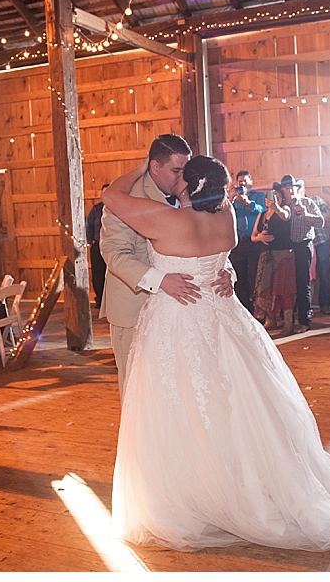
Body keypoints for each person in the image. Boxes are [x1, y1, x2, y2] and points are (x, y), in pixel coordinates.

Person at [100, 155, 330, 552]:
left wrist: (147, 166)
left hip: (177, 320)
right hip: (223, 315)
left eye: (181, 176)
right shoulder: (226, 216)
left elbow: (110, 194)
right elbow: (223, 258)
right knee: (236, 403)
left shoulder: (164, 218)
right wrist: (227, 274)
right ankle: (250, 482)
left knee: (180, 405)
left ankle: (196, 493)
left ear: (187, 186)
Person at [99, 133, 232, 396]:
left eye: (188, 169)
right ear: (155, 166)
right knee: (139, 392)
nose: (185, 177)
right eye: (177, 170)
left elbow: (211, 246)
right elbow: (114, 253)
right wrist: (160, 279)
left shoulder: (198, 197)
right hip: (134, 306)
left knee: (188, 389)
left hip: (187, 313)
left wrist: (226, 271)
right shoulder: (130, 198)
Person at [251, 182, 296, 336]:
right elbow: (253, 236)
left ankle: (288, 323)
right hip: (266, 255)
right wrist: (259, 237)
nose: (274, 199)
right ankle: (271, 319)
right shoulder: (262, 214)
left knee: (284, 290)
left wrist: (276, 207)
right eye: (272, 196)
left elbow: (286, 217)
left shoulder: (285, 210)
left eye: (278, 196)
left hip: (283, 255)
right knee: (266, 289)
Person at [282, 175, 324, 332]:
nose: (289, 191)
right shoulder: (281, 204)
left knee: (302, 283)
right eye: (286, 188)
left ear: (297, 189)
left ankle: (305, 321)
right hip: (285, 249)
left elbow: (321, 222)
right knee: (286, 284)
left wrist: (306, 213)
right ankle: (287, 319)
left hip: (302, 246)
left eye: (291, 188)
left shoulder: (307, 202)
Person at [228, 170, 265, 313]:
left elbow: (263, 210)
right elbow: (225, 211)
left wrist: (249, 203)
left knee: (254, 276)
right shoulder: (234, 198)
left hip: (254, 242)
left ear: (251, 182)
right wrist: (232, 198)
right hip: (238, 243)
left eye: (245, 181)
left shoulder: (259, 196)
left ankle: (257, 309)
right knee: (239, 276)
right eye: (240, 181)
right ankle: (244, 310)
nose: (242, 184)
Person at [304, 182, 330, 316]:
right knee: (305, 277)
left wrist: (311, 213)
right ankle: (306, 307)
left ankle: (325, 305)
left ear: (303, 189)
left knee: (324, 274)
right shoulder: (291, 205)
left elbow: (329, 215)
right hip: (305, 243)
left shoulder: (315, 199)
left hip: (320, 241)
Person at [85, 185, 110, 308]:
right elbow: (88, 225)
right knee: (98, 274)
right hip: (97, 245)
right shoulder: (95, 209)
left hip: (112, 245)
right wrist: (91, 242)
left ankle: (112, 301)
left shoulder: (118, 207)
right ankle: (100, 300)